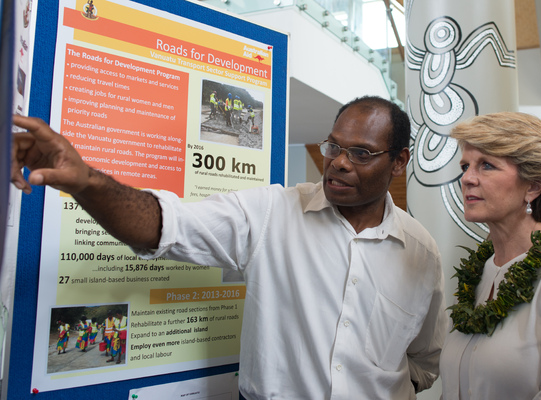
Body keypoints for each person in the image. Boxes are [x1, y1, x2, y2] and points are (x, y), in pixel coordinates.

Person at [11, 96, 447, 398]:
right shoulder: (271, 212)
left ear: (399, 161)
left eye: (361, 152)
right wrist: (87, 181)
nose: (339, 161)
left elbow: (423, 361)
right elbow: (164, 225)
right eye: (334, 145)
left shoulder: (420, 253)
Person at [440, 112, 541, 399]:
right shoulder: (478, 271)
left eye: (486, 165)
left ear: (534, 186)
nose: (467, 179)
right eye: (466, 166)